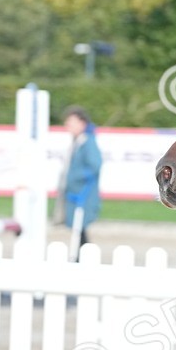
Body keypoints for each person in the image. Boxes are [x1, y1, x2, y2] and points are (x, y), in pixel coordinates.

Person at [60, 105, 102, 250]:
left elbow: (95, 165)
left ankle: (81, 257)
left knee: (79, 228)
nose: (68, 126)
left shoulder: (87, 142)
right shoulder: (78, 141)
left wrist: (76, 178)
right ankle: (81, 255)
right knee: (79, 230)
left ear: (82, 123)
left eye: (71, 122)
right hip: (76, 194)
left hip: (83, 194)